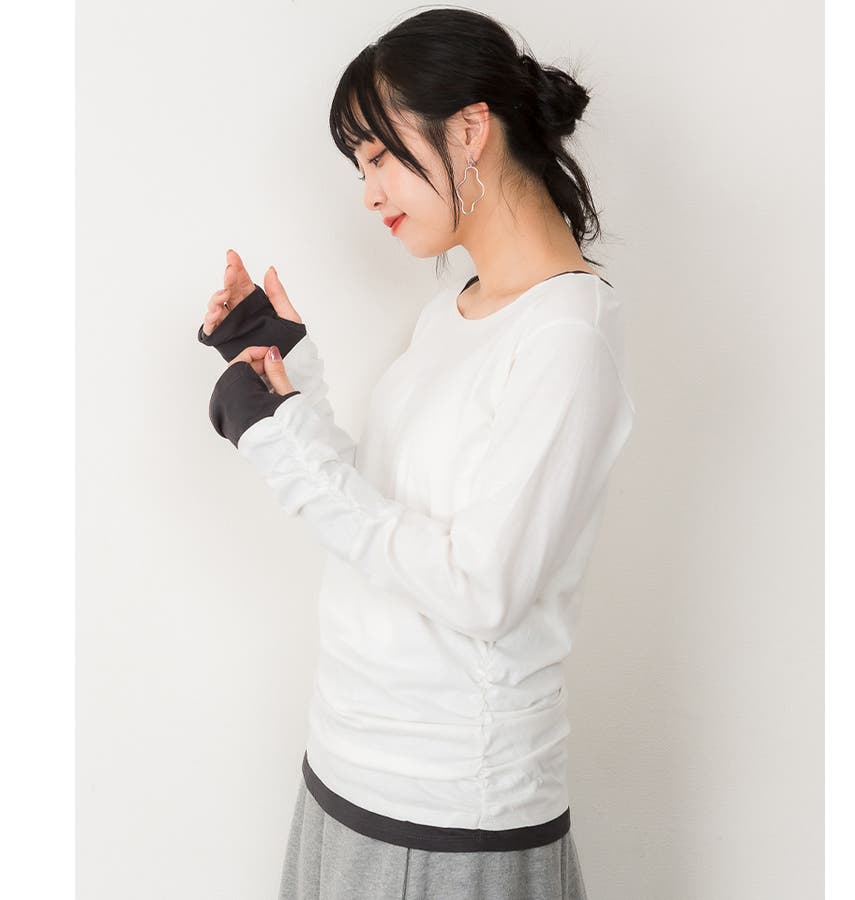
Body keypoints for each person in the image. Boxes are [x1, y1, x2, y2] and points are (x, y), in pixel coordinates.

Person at [196, 7, 636, 899]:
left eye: (379, 156)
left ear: (471, 130)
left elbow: (479, 587)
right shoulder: (458, 310)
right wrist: (286, 372)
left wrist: (280, 443)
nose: (369, 192)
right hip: (348, 769)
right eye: (360, 165)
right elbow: (386, 510)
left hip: (447, 815)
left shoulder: (565, 338)